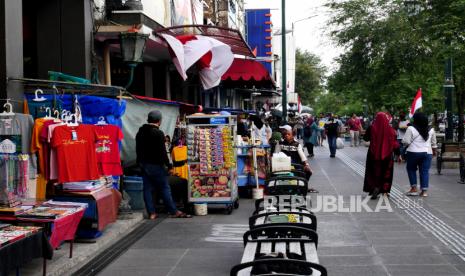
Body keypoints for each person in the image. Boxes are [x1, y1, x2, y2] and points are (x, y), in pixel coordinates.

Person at [136, 110, 191, 219]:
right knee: (164, 188)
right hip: (156, 166)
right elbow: (162, 152)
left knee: (147, 189)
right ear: (159, 121)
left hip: (144, 166)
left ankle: (151, 213)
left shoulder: (140, 133)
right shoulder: (158, 133)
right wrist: (169, 166)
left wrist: (140, 164)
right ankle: (173, 211)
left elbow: (138, 150)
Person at [363, 112, 399, 199]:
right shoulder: (391, 129)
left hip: (373, 154)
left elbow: (365, 138)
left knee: (373, 172)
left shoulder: (372, 128)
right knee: (386, 172)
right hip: (387, 155)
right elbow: (395, 143)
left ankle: (374, 188)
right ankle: (385, 191)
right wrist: (398, 154)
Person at [402, 112, 437, 197]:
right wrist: (434, 151)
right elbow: (434, 143)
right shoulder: (431, 129)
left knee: (411, 169)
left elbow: (406, 141)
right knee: (424, 171)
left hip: (413, 153)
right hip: (427, 153)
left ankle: (414, 189)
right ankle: (424, 191)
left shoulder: (411, 128)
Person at [275, 125, 318, 193]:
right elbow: (276, 154)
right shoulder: (280, 143)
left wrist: (306, 164)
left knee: (308, 172)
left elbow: (302, 156)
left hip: (295, 164)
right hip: (285, 165)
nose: (286, 135)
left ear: (292, 135)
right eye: (285, 134)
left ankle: (303, 186)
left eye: (288, 134)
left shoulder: (297, 144)